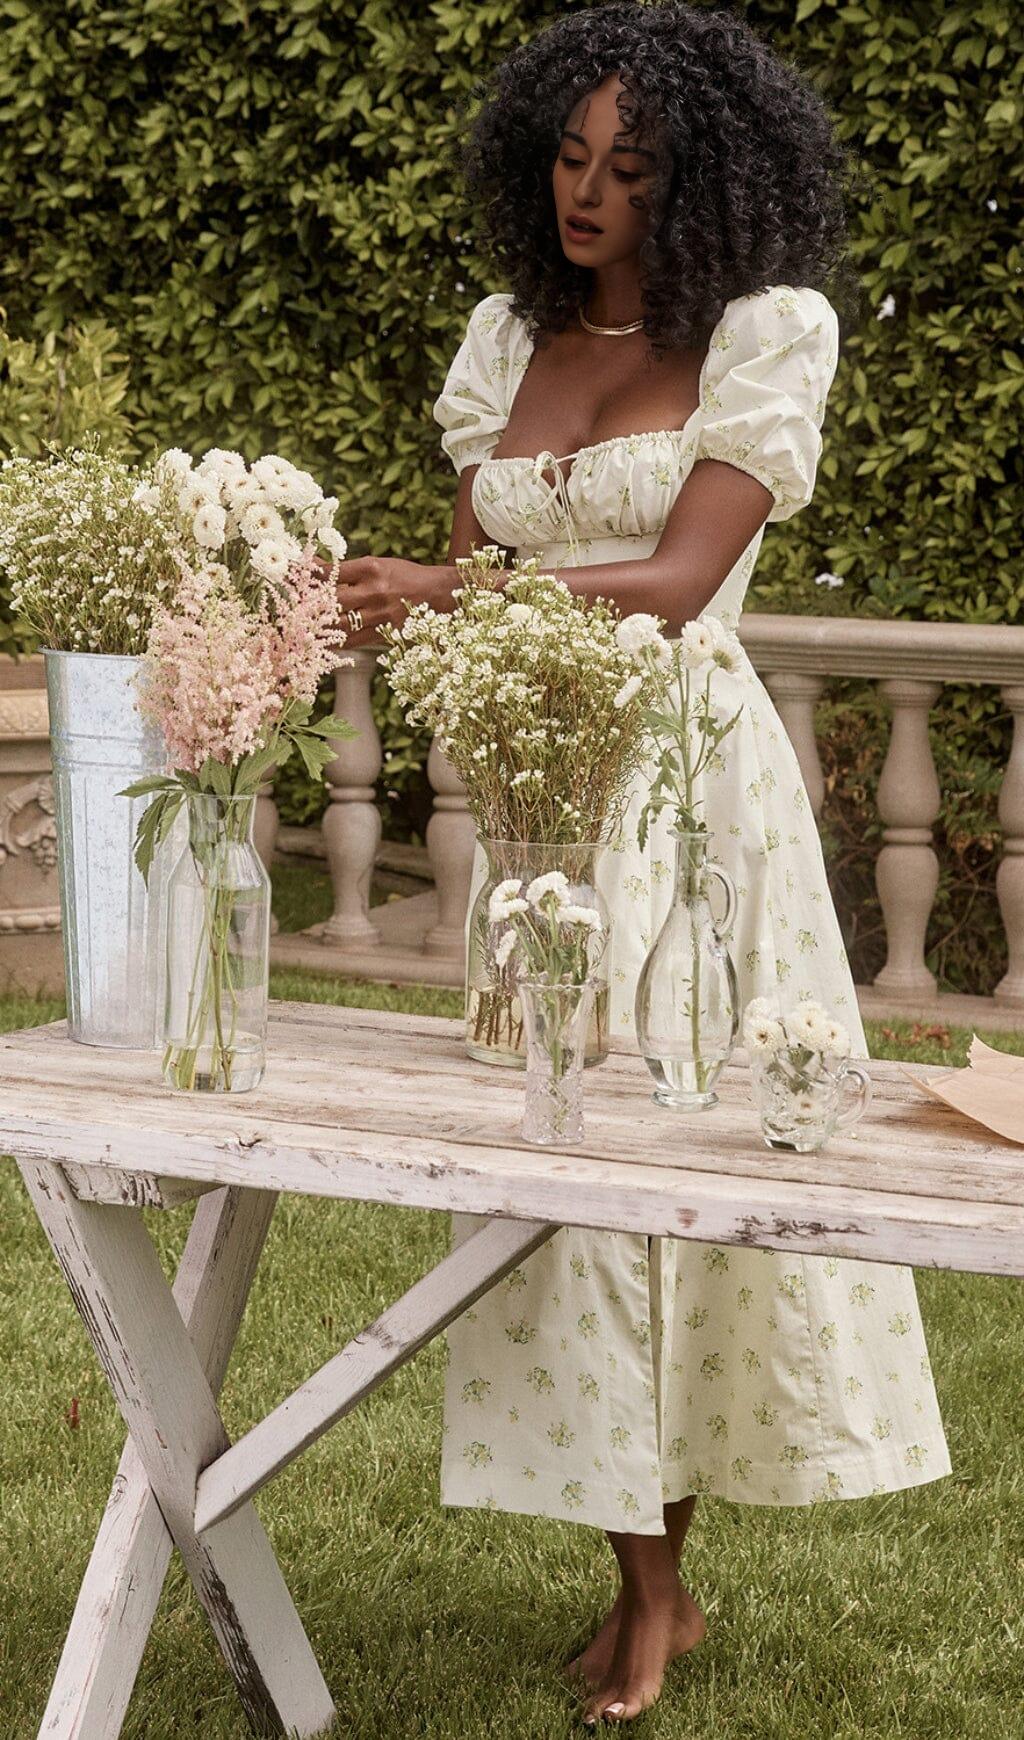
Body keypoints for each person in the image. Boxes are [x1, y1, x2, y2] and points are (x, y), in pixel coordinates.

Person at [330, 3, 952, 1725]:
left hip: (687, 797)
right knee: (552, 1193)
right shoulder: (503, 343)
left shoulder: (765, 332)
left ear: (705, 184)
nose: (589, 191)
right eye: (570, 155)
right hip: (544, 807)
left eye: (634, 165)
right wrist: (407, 607)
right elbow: (471, 561)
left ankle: (666, 1589)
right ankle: (642, 1582)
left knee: (667, 1171)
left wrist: (447, 595)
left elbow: (678, 584)